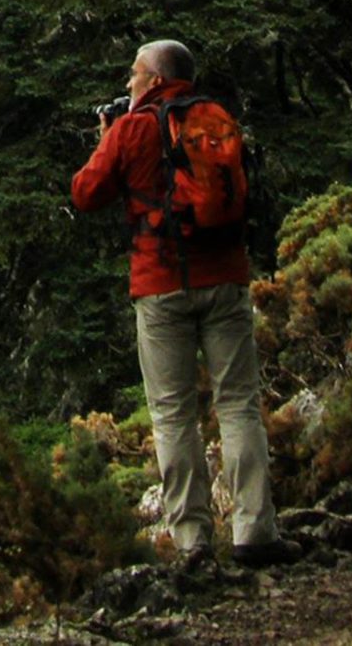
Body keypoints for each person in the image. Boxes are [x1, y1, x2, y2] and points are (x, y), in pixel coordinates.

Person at [71, 40, 300, 568]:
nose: (127, 84)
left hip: (161, 286)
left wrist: (106, 142)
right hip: (226, 279)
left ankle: (194, 542)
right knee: (239, 403)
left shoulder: (132, 128)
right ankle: (255, 531)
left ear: (153, 80)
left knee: (173, 415)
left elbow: (85, 192)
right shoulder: (213, 118)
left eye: (133, 75)